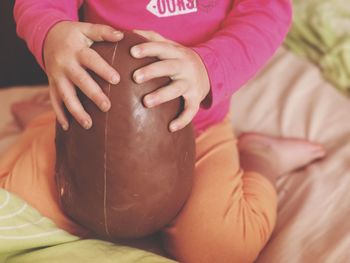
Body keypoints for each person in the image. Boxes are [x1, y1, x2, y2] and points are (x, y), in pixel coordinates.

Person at [0, 0, 325, 262]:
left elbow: (267, 12)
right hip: (88, 124)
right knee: (15, 209)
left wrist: (206, 67)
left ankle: (261, 159)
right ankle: (43, 120)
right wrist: (53, 33)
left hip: (197, 127)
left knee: (223, 247)